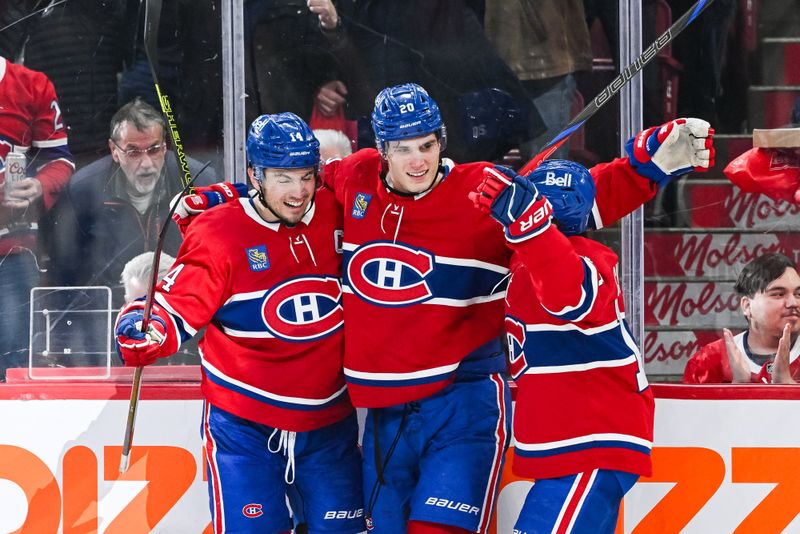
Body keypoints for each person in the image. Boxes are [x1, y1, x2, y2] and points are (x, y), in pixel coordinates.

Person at [186, 84, 715, 532]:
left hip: (462, 399)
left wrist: (648, 166)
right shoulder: (353, 178)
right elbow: (287, 184)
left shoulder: (481, 191)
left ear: (442, 140)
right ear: (381, 149)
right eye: (404, 148)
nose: (418, 160)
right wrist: (222, 199)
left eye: (428, 144)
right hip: (386, 413)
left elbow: (570, 208)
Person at [114, 112, 364, 533]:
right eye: (283, 178)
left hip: (328, 424)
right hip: (244, 426)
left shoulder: (335, 211)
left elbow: (382, 175)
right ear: (256, 173)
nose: (299, 191)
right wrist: (143, 325)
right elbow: (177, 302)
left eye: (306, 176)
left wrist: (227, 191)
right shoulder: (220, 231)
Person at [470, 159, 658, 534]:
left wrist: (527, 221)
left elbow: (567, 295)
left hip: (593, 439)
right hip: (573, 445)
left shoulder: (588, 257)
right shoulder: (528, 258)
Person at [47, 97, 211, 305]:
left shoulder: (197, 181)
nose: (147, 164)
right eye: (133, 152)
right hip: (109, 309)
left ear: (165, 147)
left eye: (154, 149)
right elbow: (67, 273)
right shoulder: (84, 190)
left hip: (181, 306)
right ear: (114, 151)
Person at [0, 55, 74, 379]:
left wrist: (40, 186)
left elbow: (59, 160)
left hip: (11, 253)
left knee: (14, 368)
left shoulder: (30, 85)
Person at [683, 253, 800, 384]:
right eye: (779, 294)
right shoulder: (708, 362)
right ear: (747, 306)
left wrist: (788, 386)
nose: (793, 302)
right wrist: (738, 386)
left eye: (798, 294)